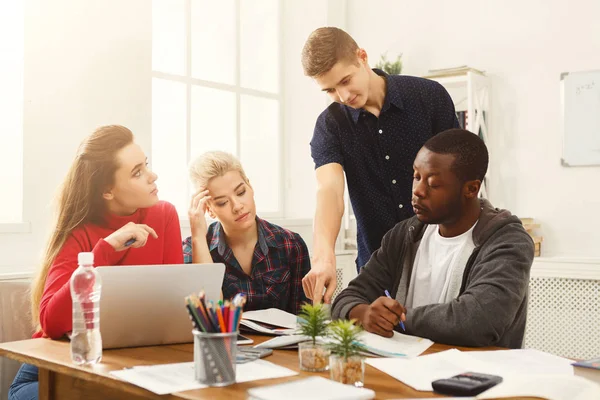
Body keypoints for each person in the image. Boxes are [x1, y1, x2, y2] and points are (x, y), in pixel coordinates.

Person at [9, 125, 183, 400]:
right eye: (137, 172)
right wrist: (104, 250)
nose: (153, 176)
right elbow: (51, 323)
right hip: (56, 366)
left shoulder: (163, 215)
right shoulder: (80, 233)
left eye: (146, 165)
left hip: (123, 364)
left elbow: (174, 303)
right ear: (107, 192)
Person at [331, 129, 534, 349]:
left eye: (433, 184)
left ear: (471, 189)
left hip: (478, 376)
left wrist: (398, 319)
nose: (418, 191)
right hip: (409, 369)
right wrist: (366, 314)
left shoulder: (508, 242)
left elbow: (477, 320)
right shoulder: (404, 234)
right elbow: (347, 298)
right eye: (416, 176)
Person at [301, 27, 460, 304]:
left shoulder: (428, 97)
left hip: (443, 258)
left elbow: (459, 173)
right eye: (330, 90)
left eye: (346, 80)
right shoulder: (330, 125)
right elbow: (329, 190)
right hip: (377, 269)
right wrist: (323, 258)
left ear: (362, 57)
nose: (343, 95)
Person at [182, 151, 310, 314]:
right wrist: (198, 238)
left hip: (283, 340)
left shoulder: (291, 244)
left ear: (250, 187)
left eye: (241, 192)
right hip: (223, 340)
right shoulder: (192, 250)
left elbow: (304, 320)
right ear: (209, 210)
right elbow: (208, 316)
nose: (237, 206)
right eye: (222, 202)